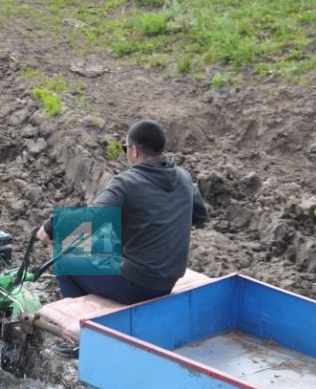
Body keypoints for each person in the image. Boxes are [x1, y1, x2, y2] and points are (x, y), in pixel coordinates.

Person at [38, 119, 209, 307]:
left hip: (139, 284)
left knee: (65, 255)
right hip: (168, 280)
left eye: (125, 147)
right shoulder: (184, 177)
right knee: (103, 243)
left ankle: (86, 321)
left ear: (134, 151)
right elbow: (200, 216)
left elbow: (92, 218)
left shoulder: (127, 182)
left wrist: (52, 226)